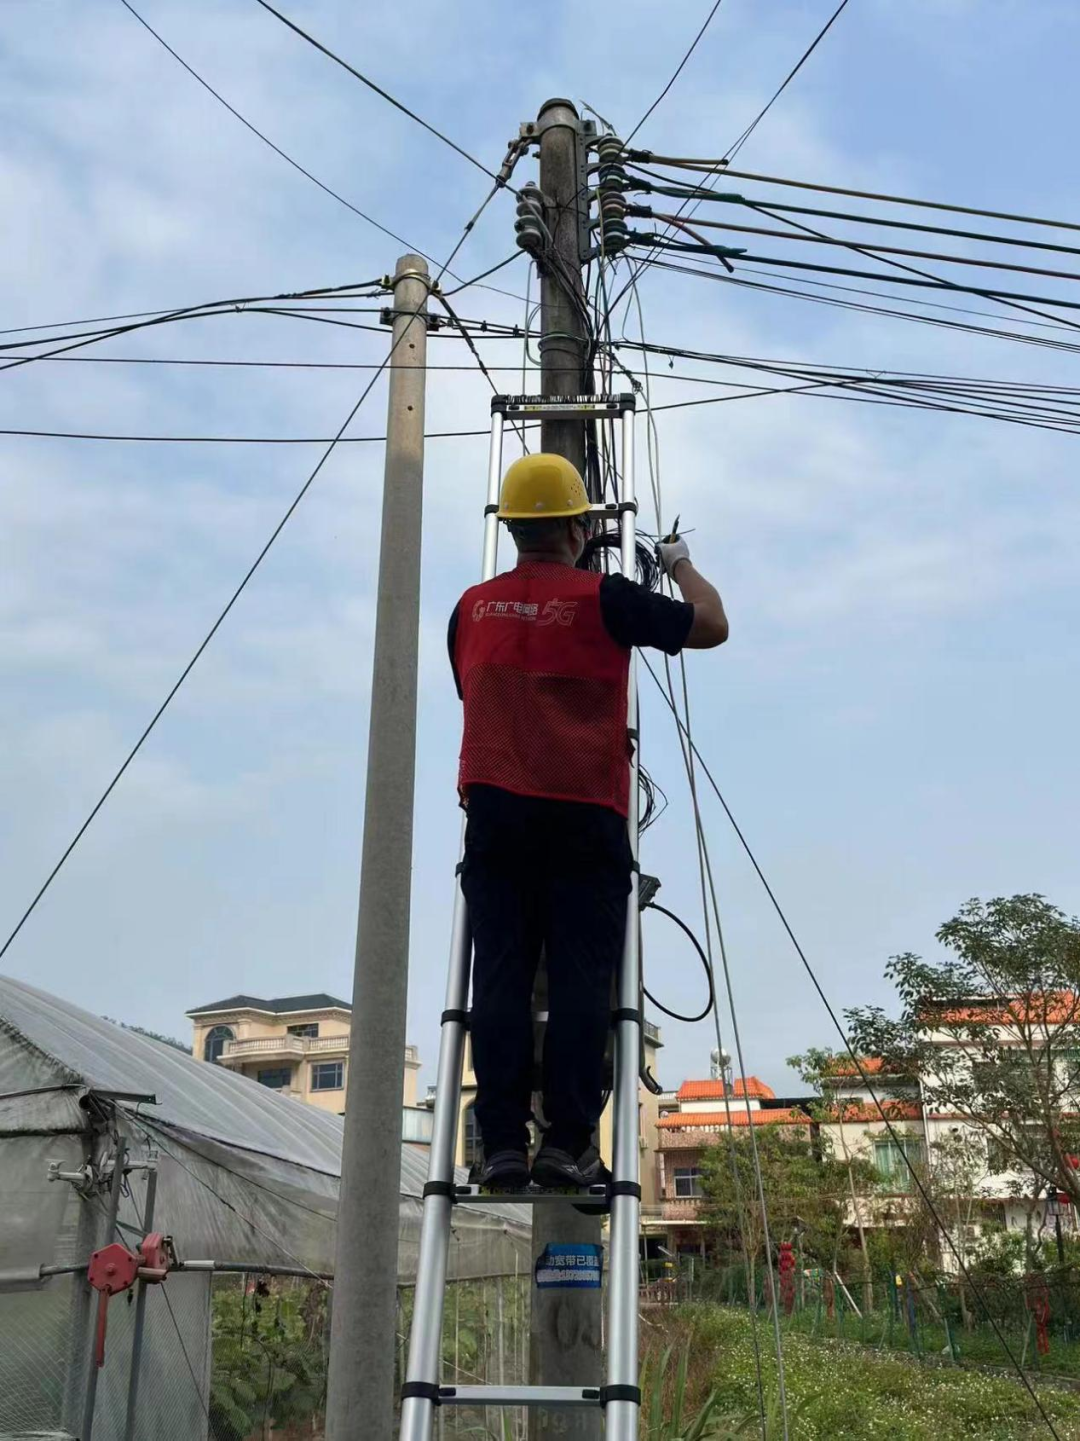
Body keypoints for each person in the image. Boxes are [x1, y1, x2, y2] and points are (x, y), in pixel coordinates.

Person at [447, 453, 728, 1190]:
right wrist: (678, 562)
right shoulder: (606, 597)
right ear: (577, 528)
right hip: (583, 817)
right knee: (580, 983)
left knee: (499, 982)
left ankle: (502, 1145)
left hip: (496, 817)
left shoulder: (470, 608)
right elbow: (712, 625)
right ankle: (567, 1143)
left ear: (512, 529)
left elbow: (474, 690)